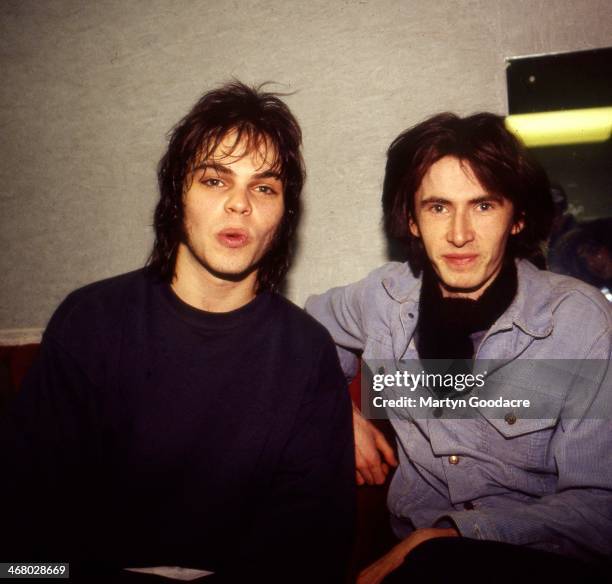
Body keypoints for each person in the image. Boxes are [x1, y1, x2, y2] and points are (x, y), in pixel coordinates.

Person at [0, 81, 355, 583]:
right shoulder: (91, 321)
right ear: (176, 195)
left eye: (264, 187)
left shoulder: (306, 352)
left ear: (284, 215)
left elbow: (312, 549)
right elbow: (22, 535)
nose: (240, 204)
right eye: (214, 180)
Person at [306, 113, 611, 582]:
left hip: (535, 558)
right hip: (414, 559)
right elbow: (295, 334)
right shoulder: (384, 298)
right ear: (411, 218)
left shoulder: (577, 321)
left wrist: (451, 534)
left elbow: (600, 508)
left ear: (518, 217)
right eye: (438, 207)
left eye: (484, 206)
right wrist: (333, 409)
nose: (460, 233)